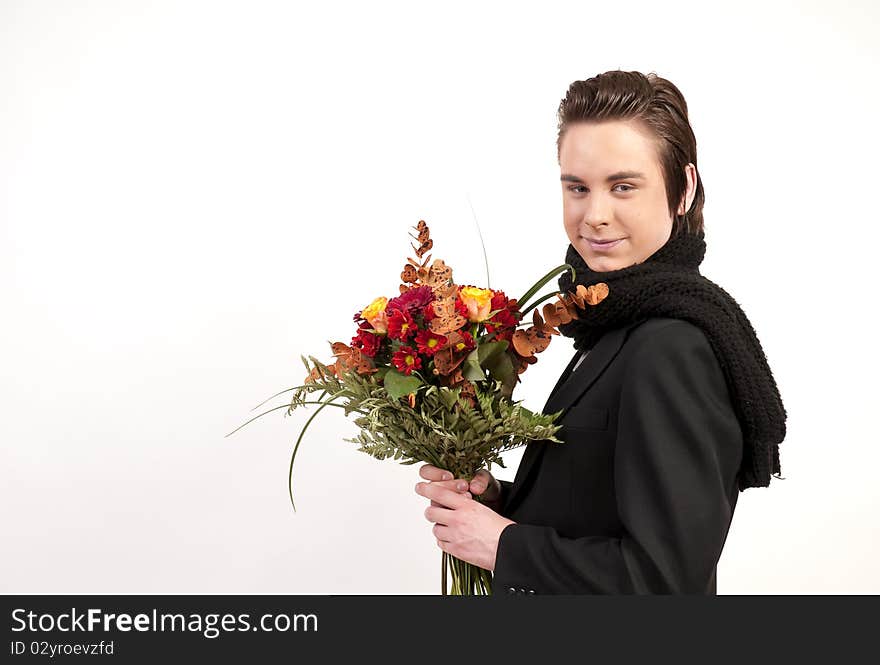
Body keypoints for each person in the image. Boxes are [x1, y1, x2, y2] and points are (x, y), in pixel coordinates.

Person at [414, 70, 787, 594]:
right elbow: (604, 505)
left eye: (623, 187)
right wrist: (499, 503)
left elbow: (663, 582)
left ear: (685, 190)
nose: (595, 216)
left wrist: (503, 546)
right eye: (578, 188)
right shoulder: (611, 324)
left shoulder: (673, 345)